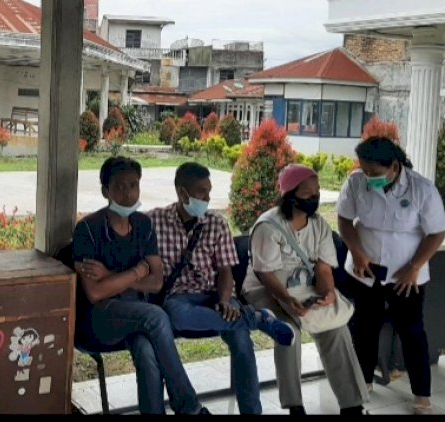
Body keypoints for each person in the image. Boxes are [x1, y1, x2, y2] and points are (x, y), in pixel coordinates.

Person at [149, 162, 295, 415]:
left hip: (215, 294)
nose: (207, 198)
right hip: (179, 297)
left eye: (209, 191)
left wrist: (226, 301)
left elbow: (226, 271)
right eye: (201, 192)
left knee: (241, 341)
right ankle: (256, 319)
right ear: (182, 193)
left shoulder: (216, 223)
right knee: (176, 316)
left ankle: (252, 412)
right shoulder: (155, 221)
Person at [72, 156, 208, 415]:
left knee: (146, 350)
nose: (128, 194)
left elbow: (156, 282)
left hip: (136, 311)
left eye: (134, 185)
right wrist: (138, 271)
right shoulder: (88, 230)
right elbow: (96, 292)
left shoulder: (144, 225)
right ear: (105, 191)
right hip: (100, 318)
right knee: (156, 316)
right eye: (120, 187)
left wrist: (111, 276)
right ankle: (190, 408)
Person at [241, 164, 368, 415]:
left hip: (304, 288)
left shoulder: (319, 225)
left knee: (336, 328)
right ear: (290, 195)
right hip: (266, 289)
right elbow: (264, 273)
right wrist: (286, 299)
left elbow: (323, 268)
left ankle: (352, 405)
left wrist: (327, 294)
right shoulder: (268, 225)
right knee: (289, 330)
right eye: (308, 193)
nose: (315, 197)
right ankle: (295, 406)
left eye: (317, 192)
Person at [337, 137, 445, 415]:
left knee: (412, 331)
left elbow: (436, 233)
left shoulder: (422, 189)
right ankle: (363, 383)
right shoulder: (356, 182)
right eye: (364, 170)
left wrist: (415, 266)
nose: (367, 177)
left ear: (394, 166)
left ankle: (421, 394)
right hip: (365, 268)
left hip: (406, 273)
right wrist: (356, 252)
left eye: (373, 172)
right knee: (364, 327)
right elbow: (344, 220)